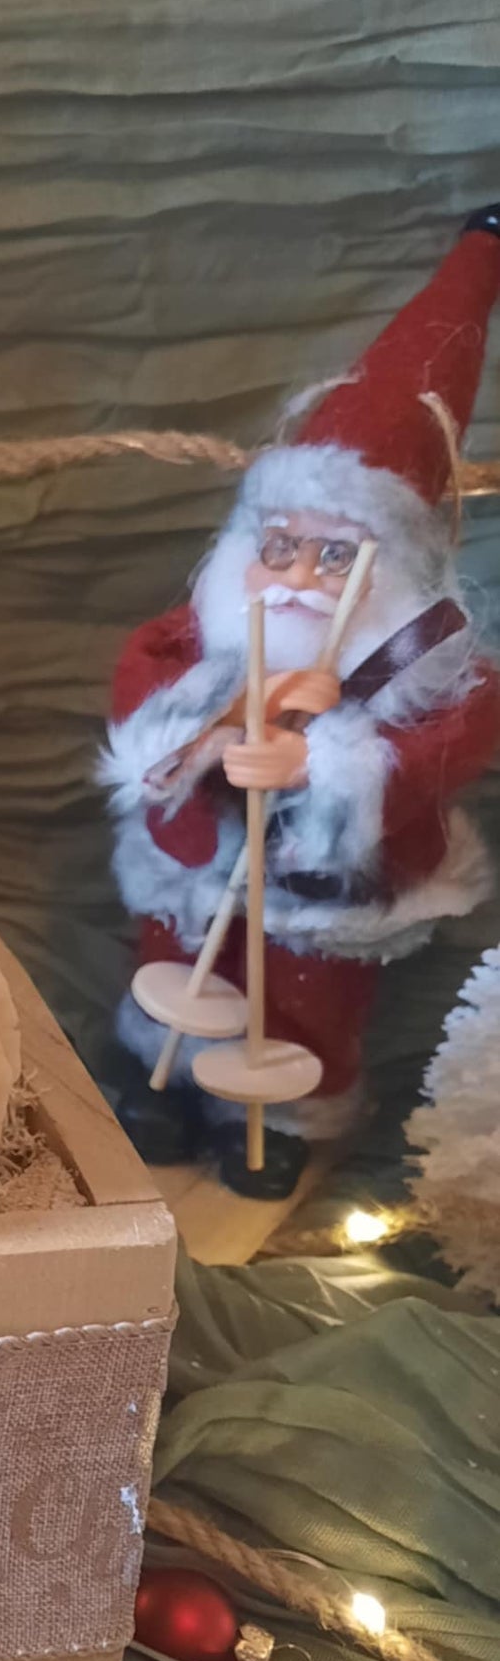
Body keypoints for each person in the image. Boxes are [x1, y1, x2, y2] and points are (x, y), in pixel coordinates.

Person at [100, 209, 500, 1195]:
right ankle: (160, 1075)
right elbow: (146, 670)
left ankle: (276, 1119)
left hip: (326, 898)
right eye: (279, 546)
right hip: (201, 865)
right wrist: (203, 735)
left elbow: (447, 743)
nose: (296, 579)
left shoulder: (425, 663)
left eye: (332, 556)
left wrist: (318, 763)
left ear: (392, 568)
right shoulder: (215, 624)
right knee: (180, 960)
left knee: (304, 999)